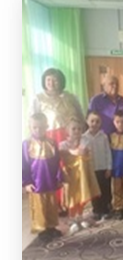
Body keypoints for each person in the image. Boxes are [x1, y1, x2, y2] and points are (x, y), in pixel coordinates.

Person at [29, 68, 85, 213]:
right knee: (53, 169)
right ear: (44, 81)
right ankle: (56, 204)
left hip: (69, 137)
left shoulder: (70, 97)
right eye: (48, 80)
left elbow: (80, 116)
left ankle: (72, 202)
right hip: (48, 139)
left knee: (69, 169)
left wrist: (80, 135)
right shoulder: (38, 99)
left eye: (55, 80)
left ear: (61, 81)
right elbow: (32, 121)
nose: (52, 83)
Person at [22, 113, 63, 242]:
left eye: (41, 127)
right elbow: (23, 164)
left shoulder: (52, 143)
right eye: (35, 127)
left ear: (47, 126)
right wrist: (26, 182)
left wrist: (58, 178)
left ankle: (51, 226)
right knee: (39, 206)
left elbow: (57, 162)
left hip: (50, 181)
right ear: (30, 127)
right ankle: (42, 229)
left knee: (51, 204)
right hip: (36, 183)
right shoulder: (26, 144)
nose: (38, 130)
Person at [59, 118, 101, 236]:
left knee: (82, 195)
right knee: (72, 197)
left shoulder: (85, 141)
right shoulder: (63, 144)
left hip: (82, 175)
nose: (77, 131)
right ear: (67, 131)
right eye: (74, 129)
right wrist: (72, 152)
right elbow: (64, 153)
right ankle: (73, 219)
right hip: (70, 176)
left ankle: (80, 217)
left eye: (79, 129)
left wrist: (72, 152)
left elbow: (82, 152)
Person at [82, 111, 112, 222]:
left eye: (97, 121)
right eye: (92, 121)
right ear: (87, 121)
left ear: (101, 123)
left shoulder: (104, 137)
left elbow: (108, 152)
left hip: (103, 168)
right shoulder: (83, 138)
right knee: (94, 191)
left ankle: (106, 209)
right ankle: (97, 210)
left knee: (105, 189)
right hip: (91, 169)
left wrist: (109, 167)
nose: (94, 123)